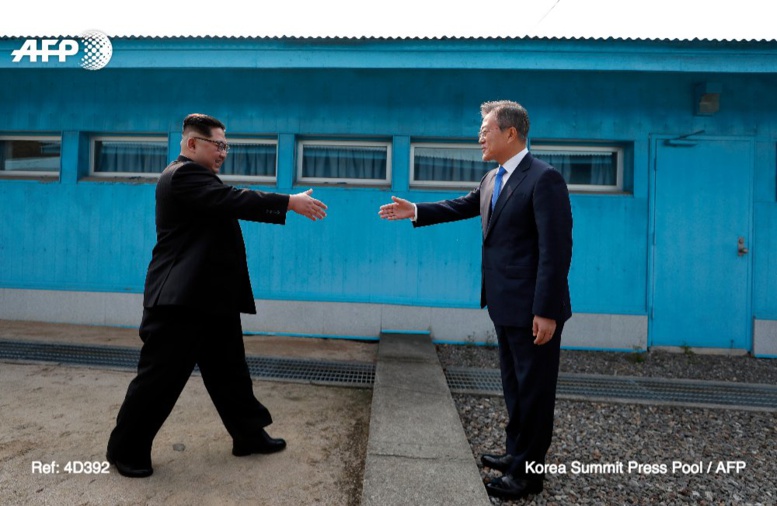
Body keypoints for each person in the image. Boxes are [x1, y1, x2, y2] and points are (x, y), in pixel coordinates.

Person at [106, 113, 328, 478]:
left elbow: (224, 205)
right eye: (218, 145)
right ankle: (125, 449)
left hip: (210, 298)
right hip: (179, 301)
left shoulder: (201, 179)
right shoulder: (183, 175)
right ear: (192, 143)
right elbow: (234, 199)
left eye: (227, 145)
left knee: (231, 373)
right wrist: (288, 201)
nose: (224, 152)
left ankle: (248, 436)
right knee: (159, 379)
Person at [379, 100, 572, 500]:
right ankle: (515, 453)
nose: (480, 136)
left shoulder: (544, 179)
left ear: (511, 133)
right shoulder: (492, 179)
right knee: (514, 387)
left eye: (486, 129)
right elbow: (461, 206)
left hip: (534, 308)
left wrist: (546, 311)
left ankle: (527, 475)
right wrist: (415, 209)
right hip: (503, 303)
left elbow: (556, 250)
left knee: (535, 393)